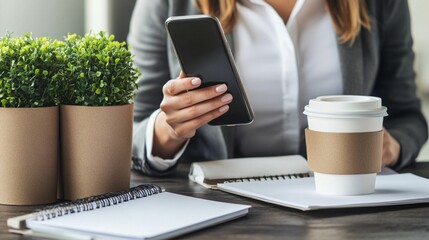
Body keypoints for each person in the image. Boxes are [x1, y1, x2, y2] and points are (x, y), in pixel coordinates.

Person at [127, 0, 427, 176]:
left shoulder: (380, 4)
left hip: (337, 202)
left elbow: (408, 117)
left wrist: (391, 146)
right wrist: (168, 130)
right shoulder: (165, 4)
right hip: (214, 205)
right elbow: (130, 131)